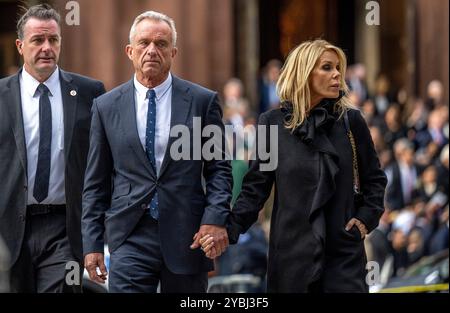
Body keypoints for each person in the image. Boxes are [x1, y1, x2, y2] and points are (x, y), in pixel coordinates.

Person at [202, 39, 387, 292]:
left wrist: (365, 219)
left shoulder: (351, 122)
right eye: (326, 67)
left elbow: (375, 180)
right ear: (304, 73)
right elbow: (256, 189)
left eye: (337, 68)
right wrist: (226, 230)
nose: (337, 75)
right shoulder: (271, 123)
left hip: (344, 257)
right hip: (290, 260)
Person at [82, 10, 232, 293]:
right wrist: (91, 244)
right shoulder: (106, 107)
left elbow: (219, 170)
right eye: (144, 43)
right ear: (129, 51)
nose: (152, 50)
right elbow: (95, 182)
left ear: (173, 51)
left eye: (161, 44)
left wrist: (215, 218)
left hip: (189, 235)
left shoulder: (202, 101)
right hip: (129, 236)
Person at [0, 4, 105, 292]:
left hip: (65, 231)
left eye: (53, 40)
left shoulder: (90, 93)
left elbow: (102, 165)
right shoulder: (1, 95)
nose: (47, 48)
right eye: (38, 40)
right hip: (8, 229)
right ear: (20, 45)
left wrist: (96, 234)